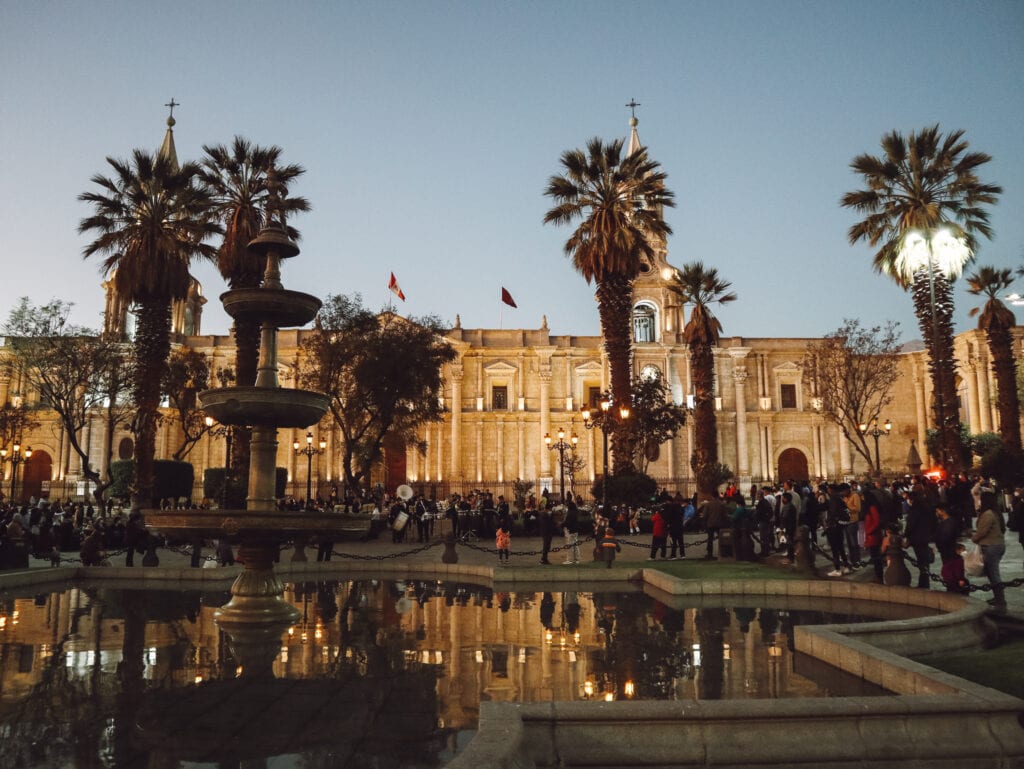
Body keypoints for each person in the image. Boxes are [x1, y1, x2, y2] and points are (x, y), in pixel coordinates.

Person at [972, 490, 1007, 609]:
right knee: (992, 572)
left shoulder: (987, 514)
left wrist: (974, 538)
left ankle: (1000, 599)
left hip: (991, 546)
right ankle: (998, 597)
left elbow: (982, 531)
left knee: (993, 573)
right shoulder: (995, 513)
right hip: (996, 545)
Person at [701, 492, 731, 560]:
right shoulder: (722, 504)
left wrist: (704, 523)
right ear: (718, 496)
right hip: (719, 524)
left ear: (712, 496)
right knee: (721, 539)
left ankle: (710, 553)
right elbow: (725, 515)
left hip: (710, 524)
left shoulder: (708, 504)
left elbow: (705, 515)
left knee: (710, 539)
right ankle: (723, 552)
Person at [663, 494, 686, 560]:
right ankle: (682, 554)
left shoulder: (671, 508)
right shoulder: (681, 508)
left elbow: (669, 517)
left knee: (673, 541)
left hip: (673, 526)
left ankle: (673, 555)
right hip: (680, 526)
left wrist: (668, 523)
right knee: (680, 541)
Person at [562, 498, 580, 565]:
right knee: (576, 545)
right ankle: (577, 559)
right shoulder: (576, 513)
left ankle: (569, 559)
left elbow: (567, 522)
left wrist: (561, 524)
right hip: (575, 530)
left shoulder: (570, 514)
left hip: (570, 530)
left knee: (569, 545)